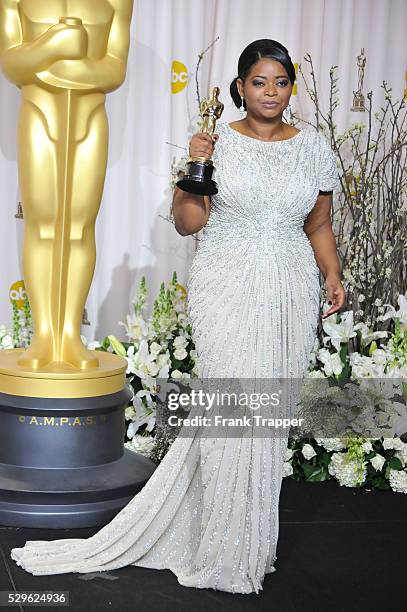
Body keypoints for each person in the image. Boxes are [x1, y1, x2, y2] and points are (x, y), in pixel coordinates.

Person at [9, 39, 346, 594]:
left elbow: (318, 224)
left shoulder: (313, 147)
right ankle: (221, 546)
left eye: (280, 82)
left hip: (289, 289)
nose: (270, 92)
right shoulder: (213, 144)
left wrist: (332, 275)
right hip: (226, 285)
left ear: (291, 88)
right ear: (240, 88)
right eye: (259, 82)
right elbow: (189, 223)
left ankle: (246, 543)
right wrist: (198, 164)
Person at [0, 0, 133, 369]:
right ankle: (44, 334)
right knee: (42, 224)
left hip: (89, 118)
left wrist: (49, 66)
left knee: (78, 227)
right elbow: (12, 63)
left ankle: (70, 334)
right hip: (38, 114)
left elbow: (114, 69)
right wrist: (53, 46)